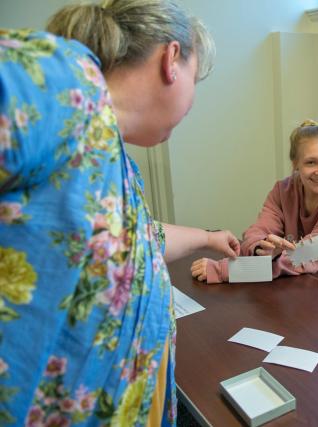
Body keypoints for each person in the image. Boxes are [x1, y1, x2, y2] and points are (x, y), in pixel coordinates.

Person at [0, 1, 240, 425]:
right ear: (171, 60)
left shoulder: (113, 157)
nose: (193, 100)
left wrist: (207, 237)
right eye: (196, 78)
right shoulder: (65, 80)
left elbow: (137, 239)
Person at [191, 121, 318, 302]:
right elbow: (255, 234)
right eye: (311, 162)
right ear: (296, 164)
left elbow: (304, 256)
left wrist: (227, 270)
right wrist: (263, 249)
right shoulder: (283, 190)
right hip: (299, 279)